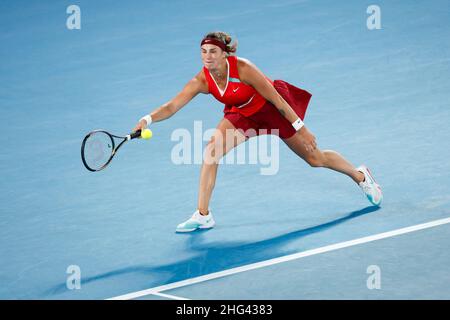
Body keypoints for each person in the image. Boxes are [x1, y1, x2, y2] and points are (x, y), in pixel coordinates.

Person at [132, 31, 383, 233]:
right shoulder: (202, 80)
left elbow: (277, 100)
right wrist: (147, 119)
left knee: (315, 159)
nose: (207, 57)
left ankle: (359, 175)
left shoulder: (243, 69)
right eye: (203, 52)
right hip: (243, 114)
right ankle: (203, 215)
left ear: (225, 54)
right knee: (211, 152)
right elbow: (172, 106)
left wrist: (302, 128)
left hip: (273, 110)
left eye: (213, 52)